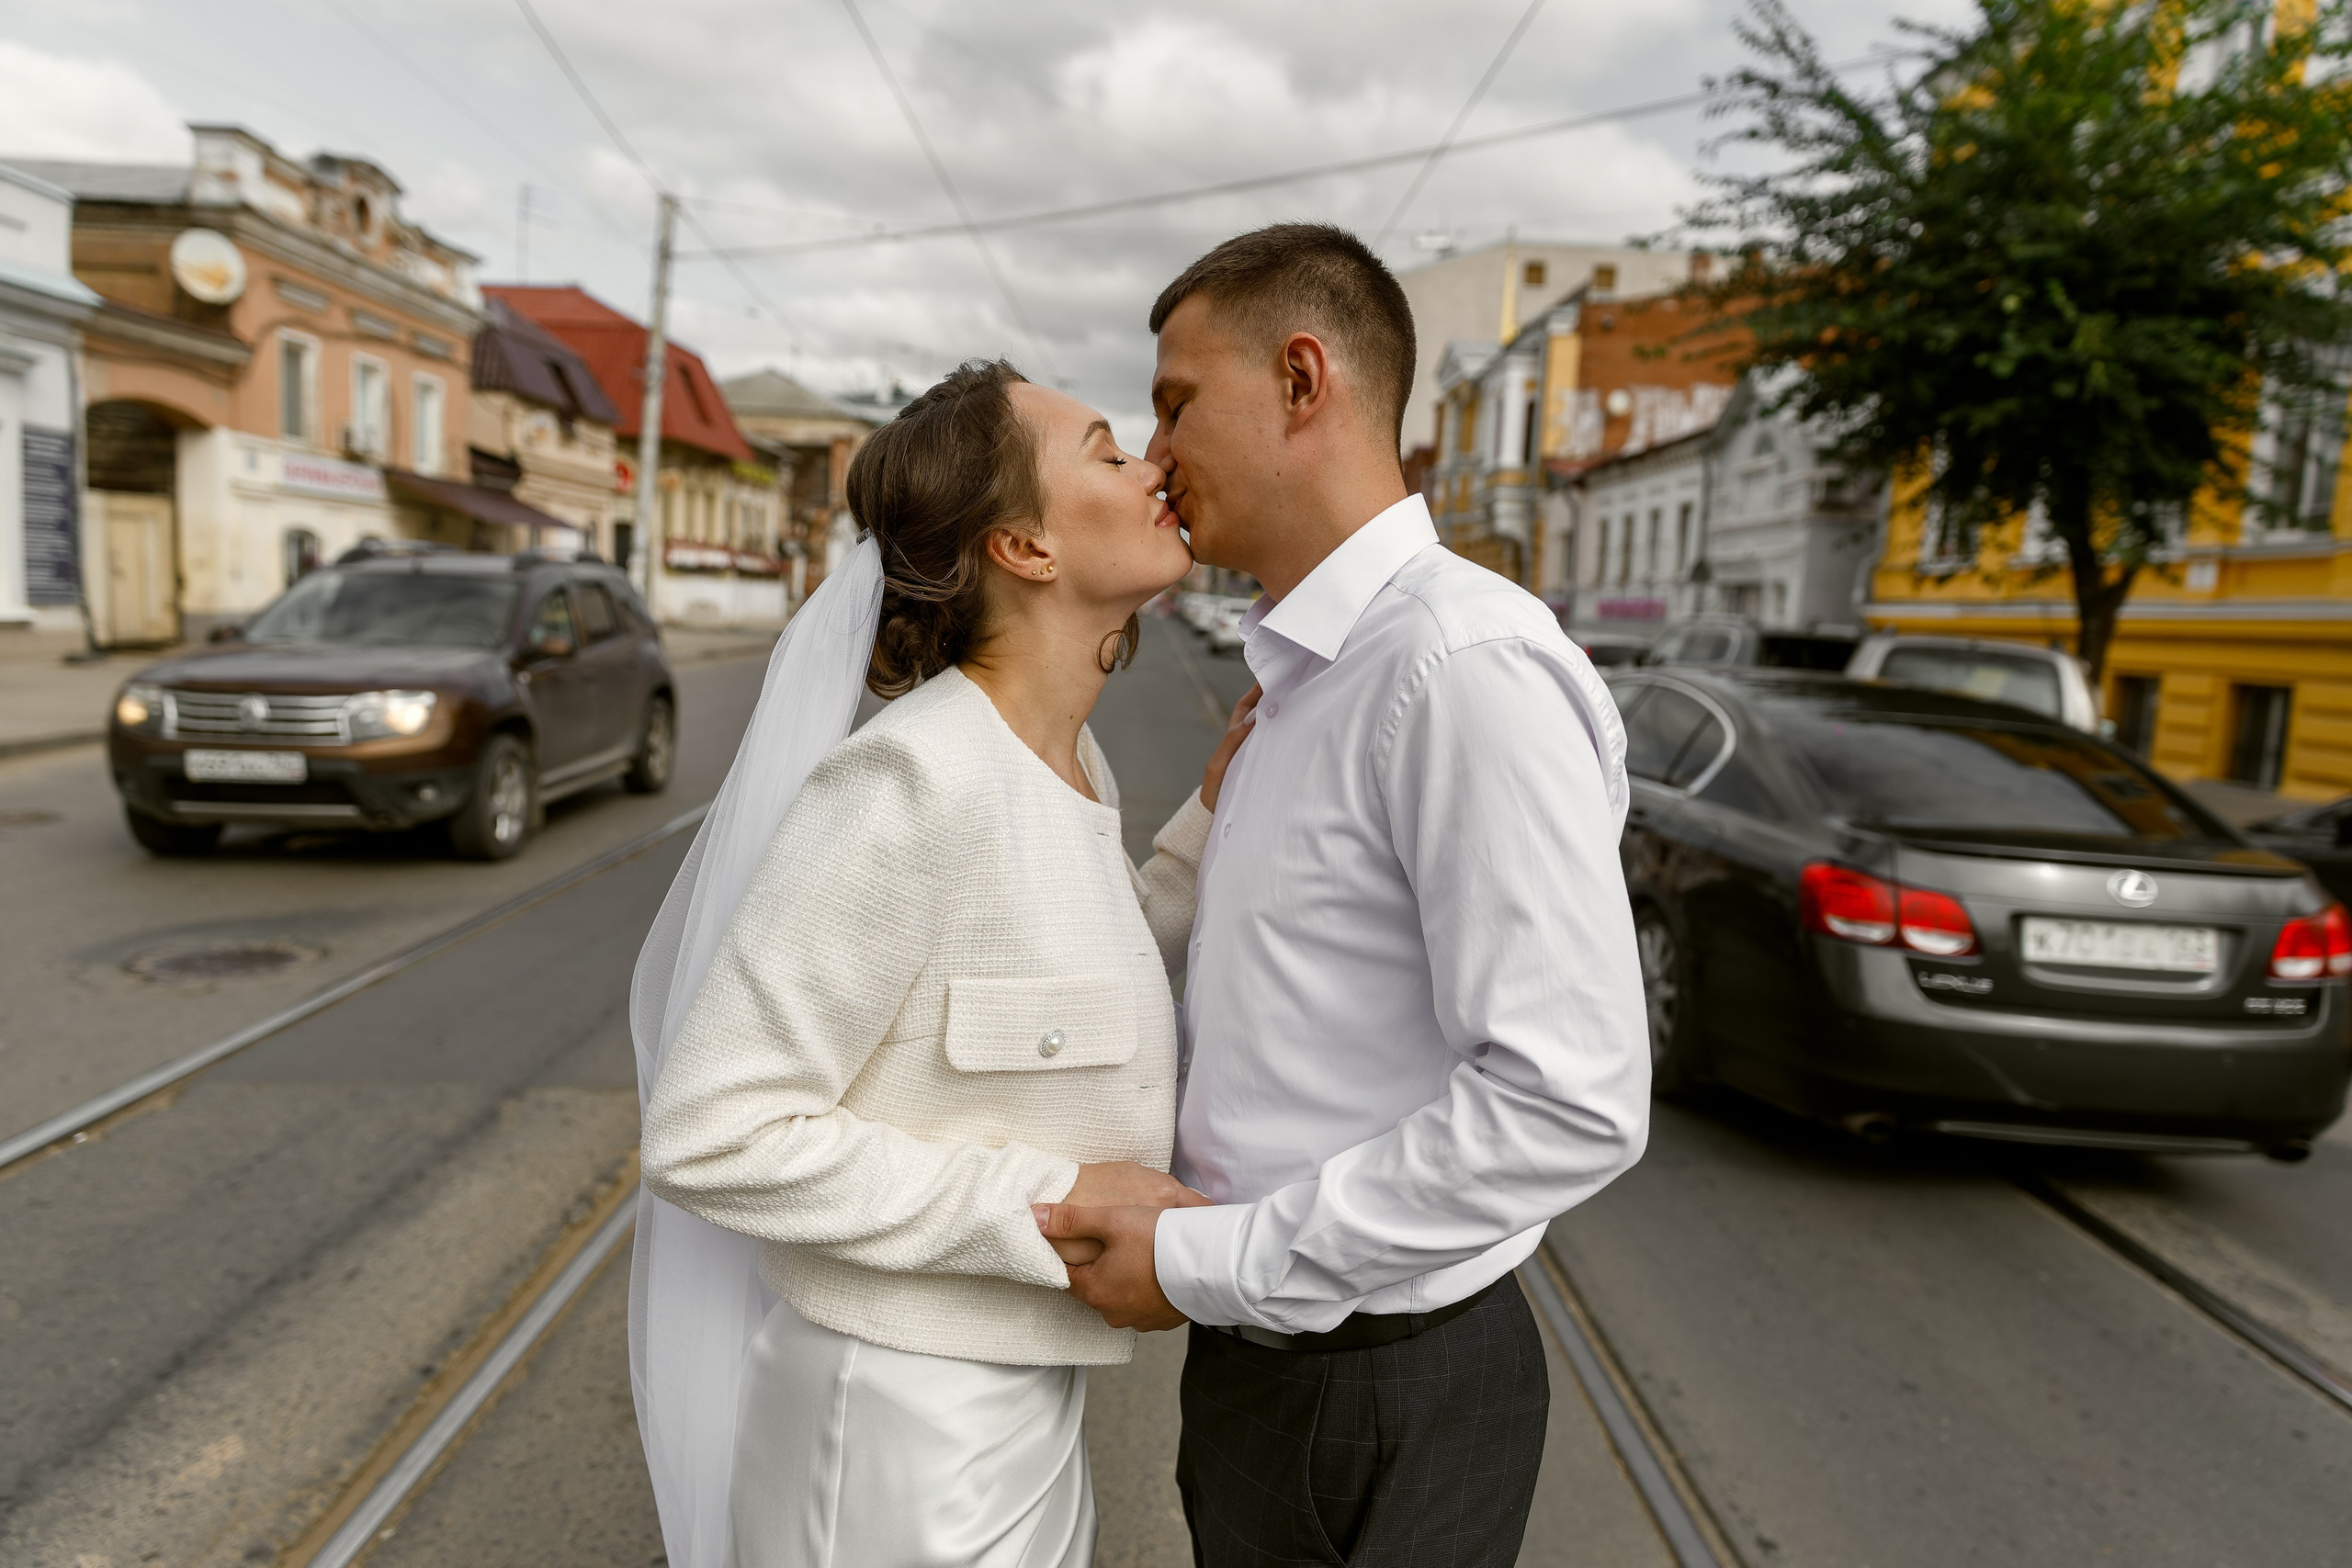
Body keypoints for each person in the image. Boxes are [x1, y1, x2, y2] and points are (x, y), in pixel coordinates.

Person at [1037, 224, 1652, 1565]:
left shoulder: (1455, 669)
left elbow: (1571, 1099)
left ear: (1303, 380)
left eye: (1178, 402)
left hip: (1379, 1382)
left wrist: (1203, 1263)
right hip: (1289, 1364)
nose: (1155, 457)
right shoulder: (1315, 680)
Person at [628, 359, 1252, 1568]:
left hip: (1003, 1412)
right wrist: (1055, 1208)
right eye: (1112, 453)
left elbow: (1060, 982)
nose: (1155, 469)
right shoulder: (912, 782)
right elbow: (712, 1131)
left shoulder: (1062, 769)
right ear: (1022, 546)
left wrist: (1210, 819)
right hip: (896, 1430)